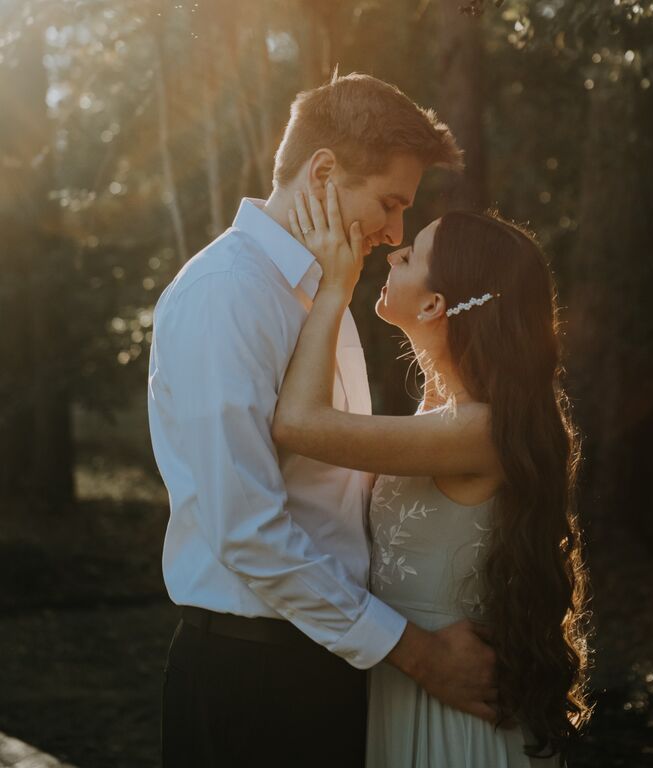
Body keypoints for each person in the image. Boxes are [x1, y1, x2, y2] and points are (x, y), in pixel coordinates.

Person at [147, 72, 498, 768]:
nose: (396, 231)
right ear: (324, 171)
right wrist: (422, 657)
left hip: (330, 666)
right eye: (389, 203)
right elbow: (246, 531)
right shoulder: (228, 295)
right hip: (253, 683)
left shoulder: (318, 291)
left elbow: (337, 493)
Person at [273, 183, 592, 766]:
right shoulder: (442, 417)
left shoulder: (478, 431)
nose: (392, 253)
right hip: (408, 688)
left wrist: (333, 289)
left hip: (453, 718)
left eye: (411, 255)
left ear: (432, 306)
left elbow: (299, 424)